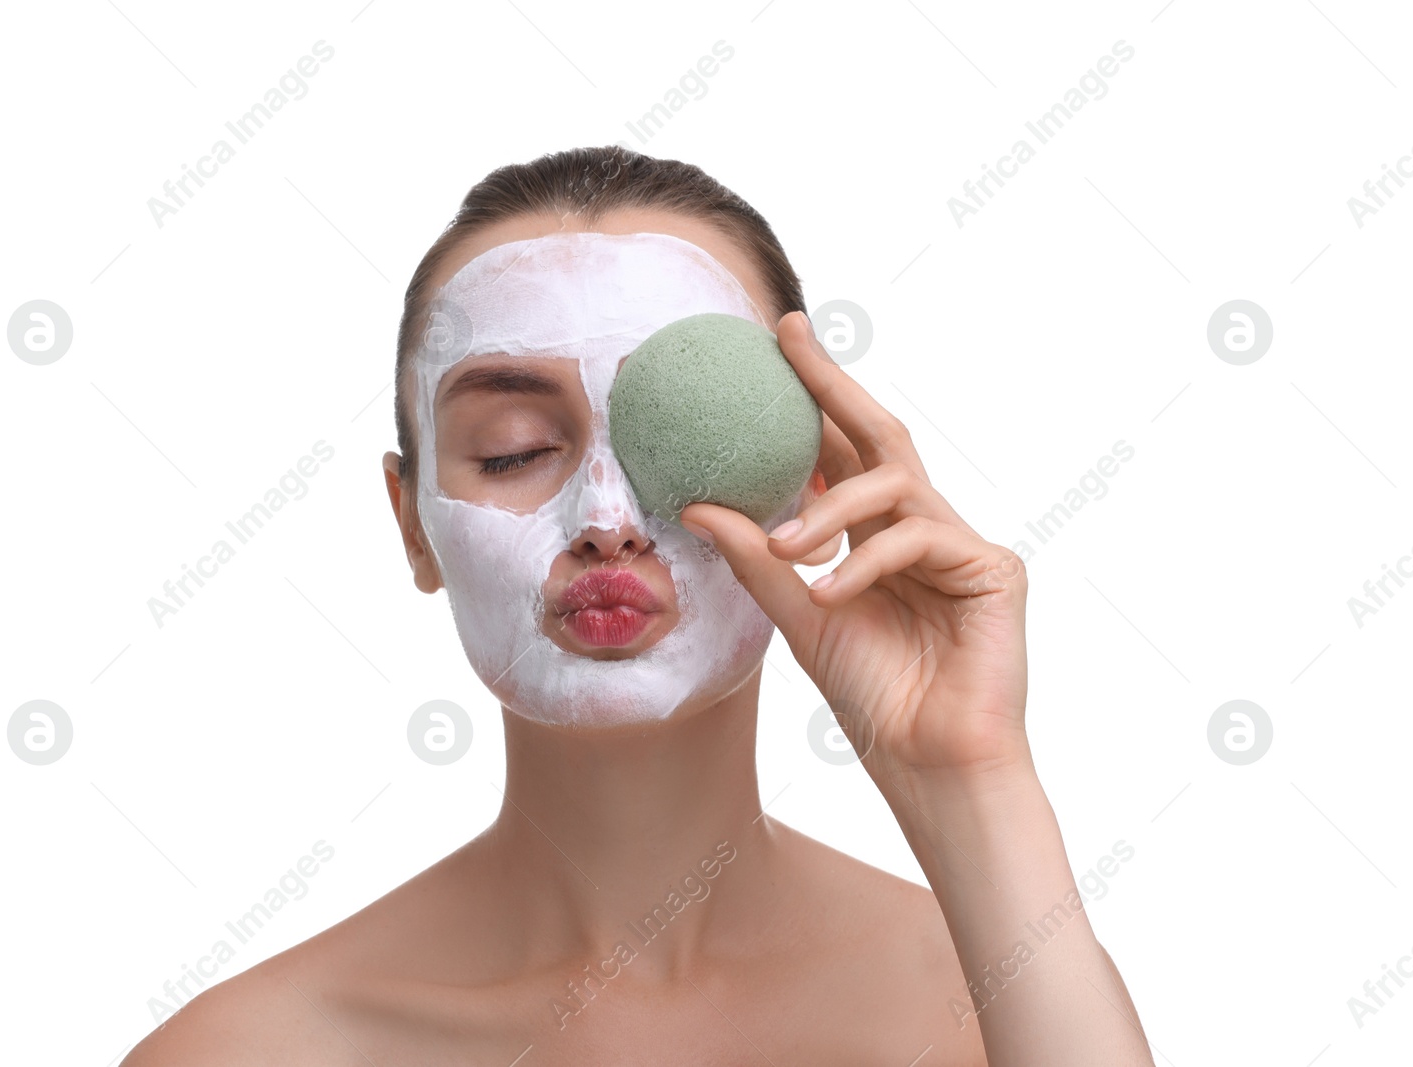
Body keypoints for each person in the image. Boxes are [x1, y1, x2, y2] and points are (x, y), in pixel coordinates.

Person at [124, 145, 1154, 1065]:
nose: (607, 518)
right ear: (411, 523)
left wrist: (971, 778)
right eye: (515, 448)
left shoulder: (998, 1006)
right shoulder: (245, 1049)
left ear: (813, 482)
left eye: (692, 435)